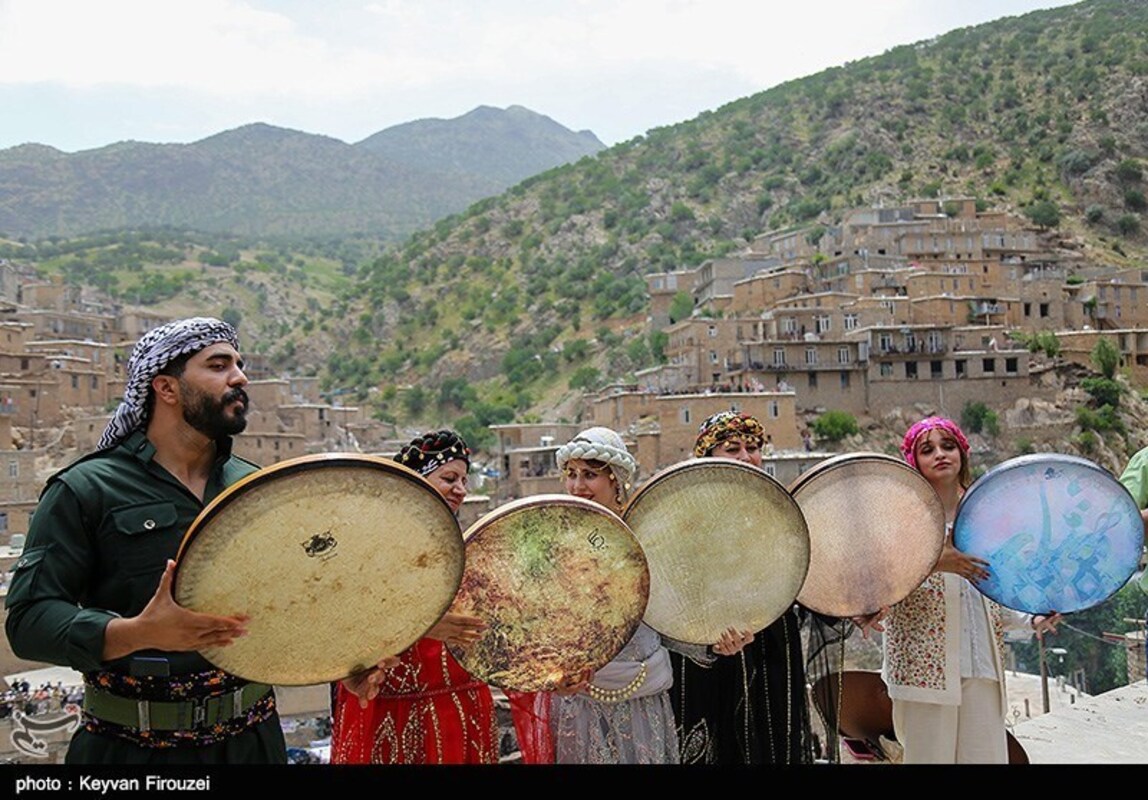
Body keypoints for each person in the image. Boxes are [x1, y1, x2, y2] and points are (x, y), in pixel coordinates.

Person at [4, 317, 290, 764]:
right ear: (166, 388)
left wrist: (340, 664)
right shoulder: (86, 489)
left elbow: (293, 601)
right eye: (218, 366)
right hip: (131, 751)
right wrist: (137, 633)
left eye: (239, 364)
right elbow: (29, 622)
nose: (240, 378)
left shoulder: (254, 486)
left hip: (254, 744)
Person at [670, 410, 864, 764]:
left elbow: (806, 582)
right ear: (707, 458)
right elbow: (673, 600)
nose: (747, 456)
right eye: (732, 449)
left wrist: (854, 606)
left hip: (772, 651)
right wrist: (708, 642)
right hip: (709, 661)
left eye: (754, 447)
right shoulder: (683, 522)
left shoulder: (779, 515)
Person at [882, 416, 1059, 764]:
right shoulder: (902, 517)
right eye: (927, 449)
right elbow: (881, 581)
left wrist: (1031, 618)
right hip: (923, 669)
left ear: (962, 454)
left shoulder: (987, 515)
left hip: (983, 665)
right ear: (914, 461)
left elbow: (998, 583)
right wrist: (935, 563)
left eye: (948, 446)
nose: (940, 454)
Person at [329, 429, 499, 765]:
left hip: (461, 705)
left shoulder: (462, 547)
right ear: (416, 482)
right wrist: (422, 626)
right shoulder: (372, 550)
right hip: (395, 707)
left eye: (464, 480)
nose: (461, 490)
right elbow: (349, 621)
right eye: (449, 478)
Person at [510, 427, 679, 764]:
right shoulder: (552, 546)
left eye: (589, 475)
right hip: (578, 706)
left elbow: (674, 620)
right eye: (571, 475)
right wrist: (552, 676)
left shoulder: (648, 542)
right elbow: (536, 631)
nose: (577, 486)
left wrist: (713, 642)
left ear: (616, 481)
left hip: (641, 704)